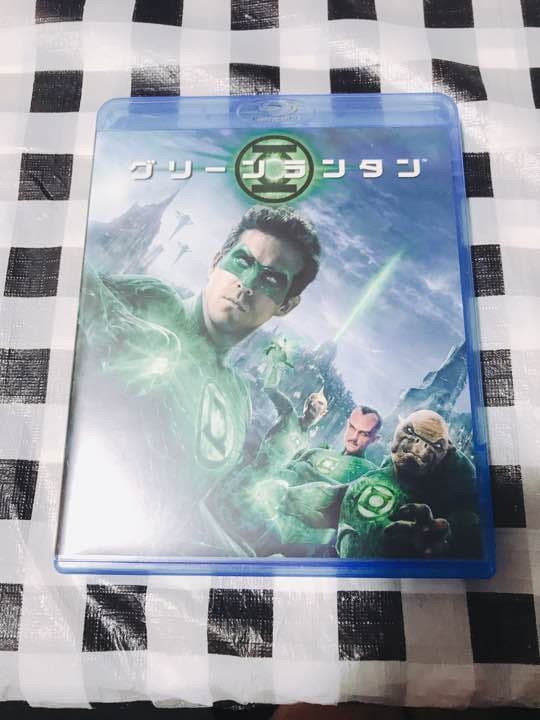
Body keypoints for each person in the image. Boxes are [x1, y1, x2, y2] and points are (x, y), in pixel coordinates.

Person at [59, 205, 321, 559]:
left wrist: (240, 560)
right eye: (242, 261)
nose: (247, 283)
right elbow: (68, 292)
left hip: (137, 558)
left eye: (271, 279)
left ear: (286, 305)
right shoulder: (152, 302)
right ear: (216, 262)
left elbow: (186, 502)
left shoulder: (237, 400)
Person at [337, 410, 481, 559]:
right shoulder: (380, 469)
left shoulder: (459, 474)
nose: (419, 447)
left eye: (436, 445)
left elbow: (470, 519)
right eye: (411, 432)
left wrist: (451, 536)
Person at [254, 387, 328, 471]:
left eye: (320, 403)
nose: (313, 403)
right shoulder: (289, 413)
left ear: (323, 413)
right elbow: (270, 389)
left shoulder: (306, 444)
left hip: (271, 476)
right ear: (306, 403)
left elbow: (294, 468)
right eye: (311, 400)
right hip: (255, 470)